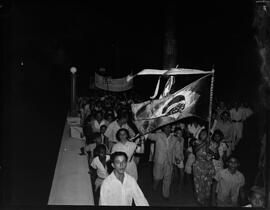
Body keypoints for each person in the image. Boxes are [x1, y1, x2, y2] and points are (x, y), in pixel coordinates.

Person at [147, 124, 182, 200]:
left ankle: (166, 195)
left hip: (169, 161)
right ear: (163, 128)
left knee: (167, 179)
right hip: (159, 161)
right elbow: (148, 136)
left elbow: (177, 149)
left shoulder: (174, 138)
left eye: (169, 127)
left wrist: (178, 157)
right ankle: (154, 186)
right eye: (166, 127)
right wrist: (147, 126)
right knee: (157, 177)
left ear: (171, 128)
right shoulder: (158, 135)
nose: (168, 129)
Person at [193, 128, 215, 206]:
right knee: (199, 184)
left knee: (208, 184)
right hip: (199, 166)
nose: (204, 135)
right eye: (202, 134)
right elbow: (195, 150)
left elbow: (215, 154)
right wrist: (205, 143)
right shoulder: (197, 142)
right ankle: (199, 199)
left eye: (205, 134)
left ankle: (206, 199)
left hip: (208, 166)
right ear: (199, 135)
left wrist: (209, 146)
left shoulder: (211, 143)